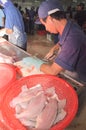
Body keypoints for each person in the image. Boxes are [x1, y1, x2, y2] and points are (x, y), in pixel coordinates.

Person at [37, 0, 86, 84]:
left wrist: (35, 63)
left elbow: (53, 71)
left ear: (50, 19)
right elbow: (62, 40)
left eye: (44, 24)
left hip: (80, 79)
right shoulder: (70, 25)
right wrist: (54, 48)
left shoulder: (72, 40)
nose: (46, 29)